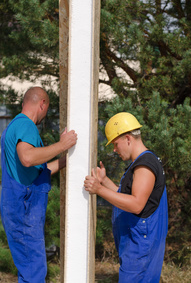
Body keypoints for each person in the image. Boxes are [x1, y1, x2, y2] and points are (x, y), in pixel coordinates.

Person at [0, 86, 77, 283]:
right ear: (42, 104)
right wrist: (62, 145)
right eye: (47, 108)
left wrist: (67, 160)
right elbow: (27, 158)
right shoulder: (26, 125)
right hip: (25, 209)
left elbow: (37, 171)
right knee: (33, 272)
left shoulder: (15, 125)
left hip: (19, 209)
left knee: (30, 269)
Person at [84, 112, 168, 283]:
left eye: (115, 144)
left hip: (140, 247)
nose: (114, 150)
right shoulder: (139, 164)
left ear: (128, 138)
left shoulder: (145, 165)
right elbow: (126, 197)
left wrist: (99, 190)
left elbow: (136, 204)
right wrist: (105, 181)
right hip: (137, 245)